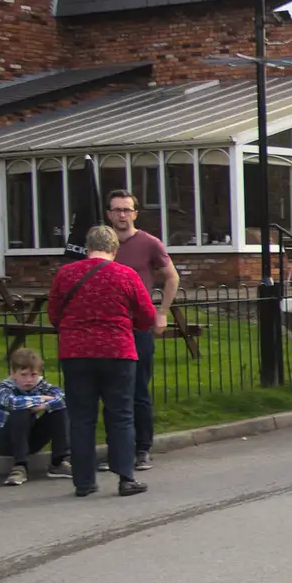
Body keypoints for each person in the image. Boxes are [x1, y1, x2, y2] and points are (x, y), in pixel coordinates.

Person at [47, 225, 156, 497]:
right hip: (117, 353)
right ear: (115, 250)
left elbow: (53, 314)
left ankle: (84, 482)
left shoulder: (66, 274)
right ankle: (125, 478)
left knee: (82, 418)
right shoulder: (126, 275)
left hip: (76, 353)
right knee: (121, 415)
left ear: (87, 248)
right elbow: (146, 316)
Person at [107, 189, 177, 473]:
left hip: (138, 326)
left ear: (135, 213)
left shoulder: (148, 243)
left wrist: (162, 312)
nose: (122, 215)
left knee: (137, 389)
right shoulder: (102, 243)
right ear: (109, 214)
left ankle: (142, 448)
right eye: (116, 210)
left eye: (127, 210)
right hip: (107, 326)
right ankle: (117, 448)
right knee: (111, 390)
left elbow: (172, 276)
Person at [0, 348, 69, 486]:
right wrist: (42, 398)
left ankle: (58, 462)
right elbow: (13, 402)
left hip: (30, 439)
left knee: (59, 409)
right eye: (23, 375)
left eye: (33, 375)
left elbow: (63, 398)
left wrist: (45, 406)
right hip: (6, 439)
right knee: (21, 411)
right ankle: (20, 466)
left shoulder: (40, 384)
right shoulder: (5, 387)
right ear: (13, 374)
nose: (28, 380)